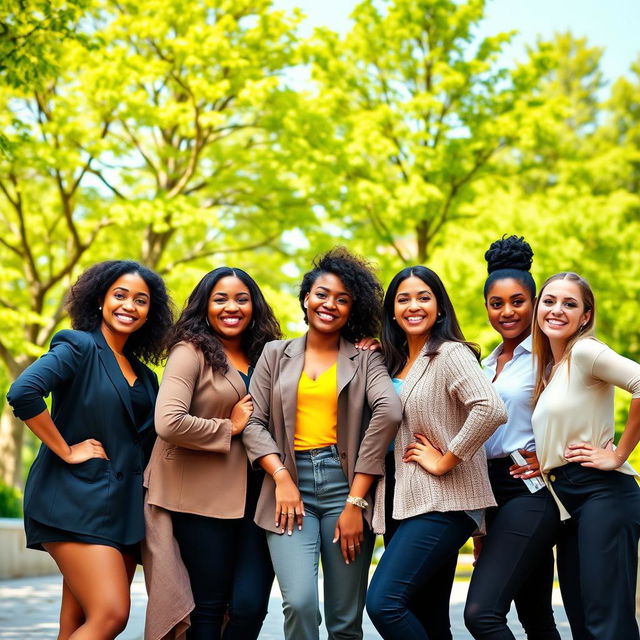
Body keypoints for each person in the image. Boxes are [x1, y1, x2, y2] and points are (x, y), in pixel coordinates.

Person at [242, 247, 402, 640]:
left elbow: (390, 412)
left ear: (353, 309)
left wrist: (355, 501)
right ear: (305, 299)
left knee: (345, 618)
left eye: (342, 299)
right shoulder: (274, 354)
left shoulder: (366, 359)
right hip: (288, 485)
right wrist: (280, 477)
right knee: (299, 602)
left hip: (346, 487)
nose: (330, 304)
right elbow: (253, 423)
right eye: (322, 294)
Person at [6, 260, 172, 640]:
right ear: (100, 300)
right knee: (111, 614)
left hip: (124, 513)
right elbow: (23, 392)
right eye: (120, 295)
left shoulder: (146, 376)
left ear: (151, 313)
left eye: (141, 300)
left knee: (75, 627)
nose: (129, 305)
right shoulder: (78, 346)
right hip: (73, 500)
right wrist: (66, 450)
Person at [366, 265, 507, 640]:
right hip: (402, 496)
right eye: (404, 299)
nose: (414, 306)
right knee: (427, 614)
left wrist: (446, 459)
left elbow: (490, 408)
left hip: (444, 500)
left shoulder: (449, 353)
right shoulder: (392, 362)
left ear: (440, 307)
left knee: (384, 603)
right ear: (392, 311)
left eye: (424, 297)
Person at [143, 267, 281, 640]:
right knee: (209, 607)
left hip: (259, 496)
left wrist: (366, 346)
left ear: (254, 305)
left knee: (250, 605)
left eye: (241, 298)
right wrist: (229, 427)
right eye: (220, 299)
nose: (231, 307)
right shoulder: (190, 351)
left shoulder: (266, 354)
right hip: (200, 498)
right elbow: (168, 422)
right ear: (205, 305)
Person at [531, 271, 640, 640]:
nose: (557, 309)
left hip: (603, 492)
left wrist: (618, 454)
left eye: (569, 303)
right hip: (566, 500)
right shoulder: (553, 369)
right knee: (581, 619)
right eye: (549, 301)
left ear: (586, 316)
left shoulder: (585, 351)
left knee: (606, 622)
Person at [464, 236, 561, 640]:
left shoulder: (553, 357)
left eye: (518, 301)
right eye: (496, 303)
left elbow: (587, 412)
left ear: (535, 304)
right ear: (486, 307)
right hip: (489, 492)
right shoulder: (482, 364)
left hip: (530, 490)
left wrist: (554, 456)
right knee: (536, 616)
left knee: (481, 614)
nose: (507, 311)